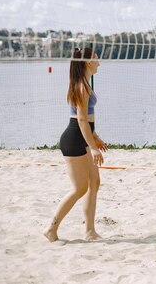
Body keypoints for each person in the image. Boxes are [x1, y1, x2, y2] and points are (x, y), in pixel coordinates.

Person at [43, 47, 108, 242]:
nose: (99, 62)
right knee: (79, 188)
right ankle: (51, 228)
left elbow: (87, 119)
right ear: (88, 62)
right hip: (74, 139)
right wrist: (94, 147)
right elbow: (80, 120)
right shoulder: (82, 86)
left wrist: (95, 136)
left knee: (94, 183)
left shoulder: (85, 84)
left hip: (83, 137)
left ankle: (89, 231)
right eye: (96, 58)